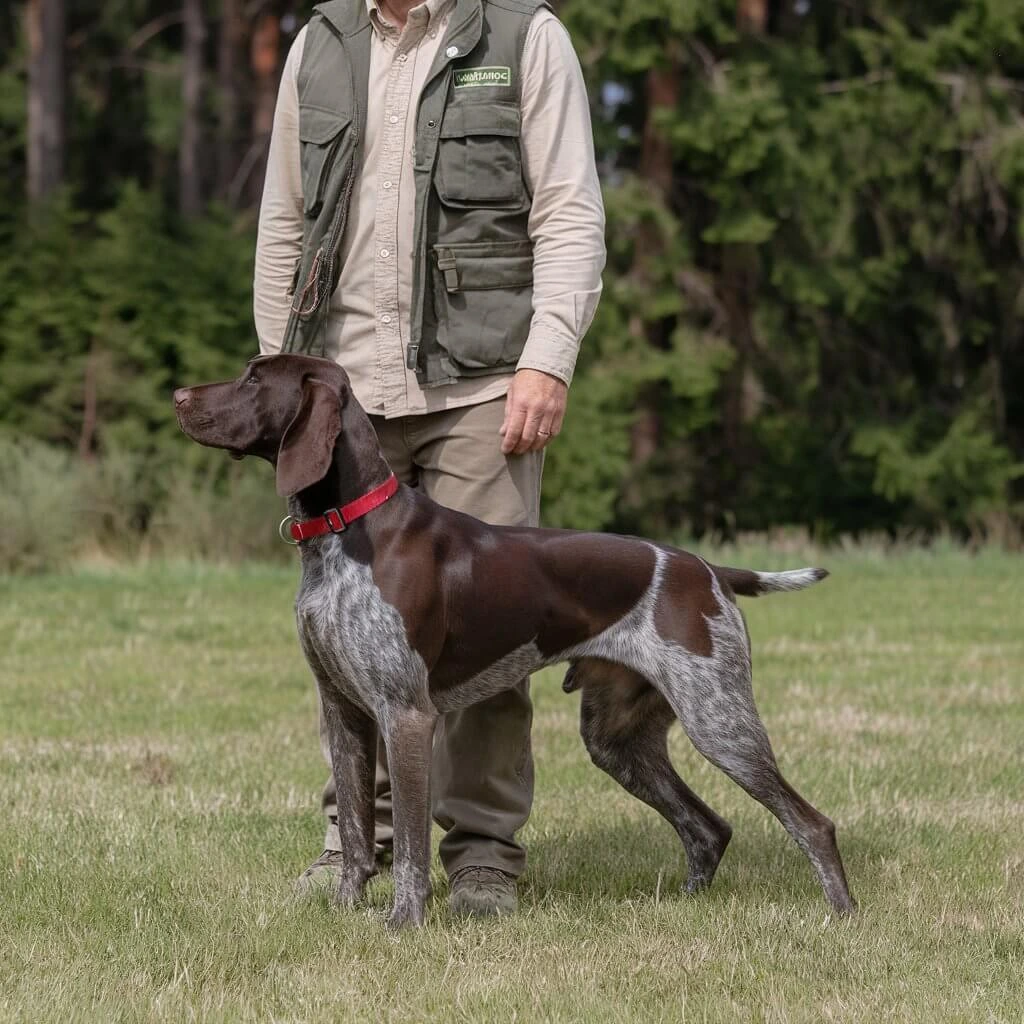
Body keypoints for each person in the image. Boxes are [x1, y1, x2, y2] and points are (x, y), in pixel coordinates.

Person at [253, 0, 605, 917]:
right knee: (349, 642)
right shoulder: (320, 44)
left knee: (490, 629)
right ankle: (352, 850)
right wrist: (284, 387)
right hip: (343, 396)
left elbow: (570, 212)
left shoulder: (525, 36)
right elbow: (284, 223)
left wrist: (547, 358)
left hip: (482, 387)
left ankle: (483, 853)